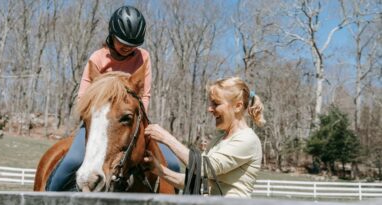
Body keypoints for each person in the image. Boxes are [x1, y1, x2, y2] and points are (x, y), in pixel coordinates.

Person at [47, 5, 179, 191]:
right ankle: (46, 198)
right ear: (111, 35)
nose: (127, 48)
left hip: (133, 122)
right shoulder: (98, 58)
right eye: (122, 42)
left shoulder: (144, 57)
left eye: (132, 45)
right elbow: (83, 97)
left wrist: (137, 123)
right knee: (71, 162)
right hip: (98, 123)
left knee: (172, 164)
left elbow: (145, 95)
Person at [144, 77, 265, 197]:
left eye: (216, 103)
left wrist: (166, 138)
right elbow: (195, 179)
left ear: (237, 106)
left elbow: (203, 168)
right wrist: (159, 170)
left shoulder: (247, 140)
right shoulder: (220, 138)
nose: (209, 108)